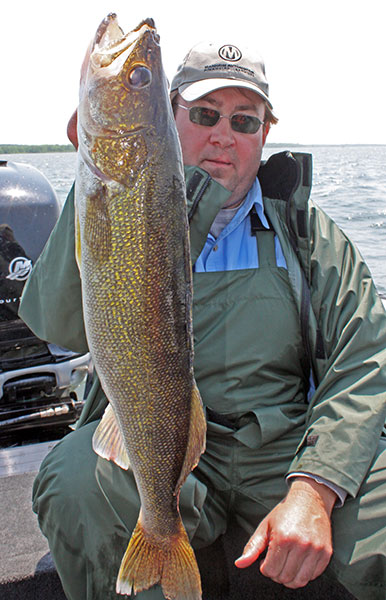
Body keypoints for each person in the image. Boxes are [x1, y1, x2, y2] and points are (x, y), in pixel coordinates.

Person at [19, 40, 386, 600]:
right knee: (75, 484)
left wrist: (315, 487)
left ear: (265, 134)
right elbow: (56, 325)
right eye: (204, 114)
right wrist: (88, 182)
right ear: (168, 120)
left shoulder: (311, 236)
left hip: (286, 447)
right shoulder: (121, 209)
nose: (223, 134)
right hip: (170, 450)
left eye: (245, 120)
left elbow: (366, 359)